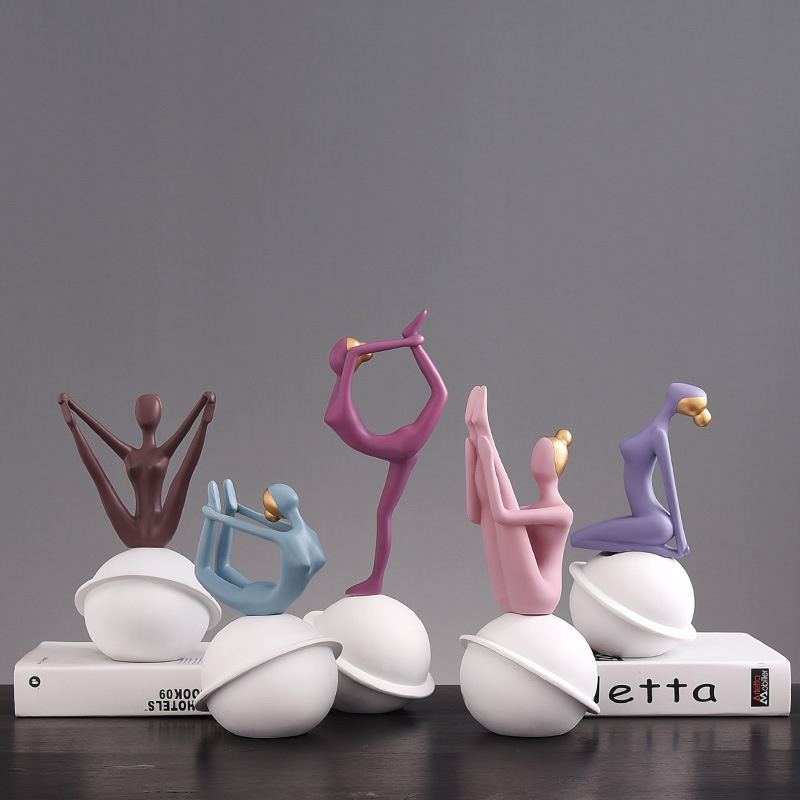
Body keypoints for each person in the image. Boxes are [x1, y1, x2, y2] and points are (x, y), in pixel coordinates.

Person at [325, 310, 448, 595]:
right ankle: (376, 580)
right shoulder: (340, 388)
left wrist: (407, 344)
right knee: (383, 516)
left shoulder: (342, 390)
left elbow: (358, 353)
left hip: (404, 445)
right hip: (398, 451)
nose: (361, 349)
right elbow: (357, 354)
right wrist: (402, 343)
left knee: (440, 394)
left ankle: (415, 343)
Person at [465, 385, 573, 615]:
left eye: (543, 457)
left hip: (543, 594)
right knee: (493, 515)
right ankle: (479, 432)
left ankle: (485, 432)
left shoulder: (563, 512)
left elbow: (503, 515)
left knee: (505, 515)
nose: (536, 461)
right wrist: (473, 459)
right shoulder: (533, 509)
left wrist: (488, 459)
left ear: (556, 467)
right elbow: (477, 515)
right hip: (511, 596)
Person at [570, 382, 711, 557]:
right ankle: (650, 548)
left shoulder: (658, 434)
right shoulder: (656, 429)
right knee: (578, 539)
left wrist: (681, 539)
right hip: (651, 519)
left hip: (656, 524)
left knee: (579, 538)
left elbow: (669, 485)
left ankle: (652, 548)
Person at [58, 391, 215, 547]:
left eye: (151, 409)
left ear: (159, 416)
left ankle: (204, 427)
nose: (146, 414)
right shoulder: (130, 454)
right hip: (132, 528)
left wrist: (203, 419)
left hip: (162, 526)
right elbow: (100, 431)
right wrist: (72, 410)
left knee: (185, 473)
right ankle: (73, 427)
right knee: (99, 478)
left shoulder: (162, 453)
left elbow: (186, 430)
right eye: (142, 409)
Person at [195, 479, 325, 616]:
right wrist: (238, 510)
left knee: (203, 570)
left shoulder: (288, 538)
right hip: (271, 594)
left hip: (264, 602)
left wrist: (212, 516)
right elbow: (270, 524)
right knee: (223, 567)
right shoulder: (310, 534)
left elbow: (249, 528)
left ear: (277, 507)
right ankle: (227, 510)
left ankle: (211, 516)